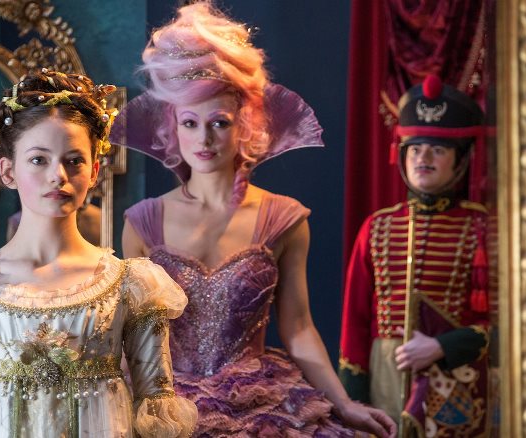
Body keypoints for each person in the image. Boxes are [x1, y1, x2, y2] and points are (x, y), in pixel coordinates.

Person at [115, 3, 395, 437]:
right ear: (172, 127)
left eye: (219, 122)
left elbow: (299, 328)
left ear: (244, 124)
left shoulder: (284, 218)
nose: (204, 138)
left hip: (261, 403)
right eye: (190, 122)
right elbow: (131, 340)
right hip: (169, 407)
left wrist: (344, 403)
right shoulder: (141, 222)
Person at [0, 69, 197, 437]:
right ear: (8, 171)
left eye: (74, 160)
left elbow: (156, 406)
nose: (58, 175)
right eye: (39, 160)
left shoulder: (133, 285)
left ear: (94, 170)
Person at [339, 75, 491, 437]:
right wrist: (354, 402)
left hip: (455, 381)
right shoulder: (376, 227)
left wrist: (442, 346)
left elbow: (506, 324)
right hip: (384, 375)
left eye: (437, 149)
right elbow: (355, 324)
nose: (423, 157)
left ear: (459, 160)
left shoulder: (483, 228)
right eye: (415, 148)